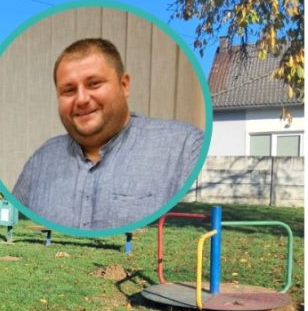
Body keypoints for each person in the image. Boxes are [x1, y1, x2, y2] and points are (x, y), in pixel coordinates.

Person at [12, 38, 203, 231]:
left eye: (94, 84)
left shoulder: (185, 148)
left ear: (124, 85)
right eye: (69, 90)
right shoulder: (40, 162)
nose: (82, 99)